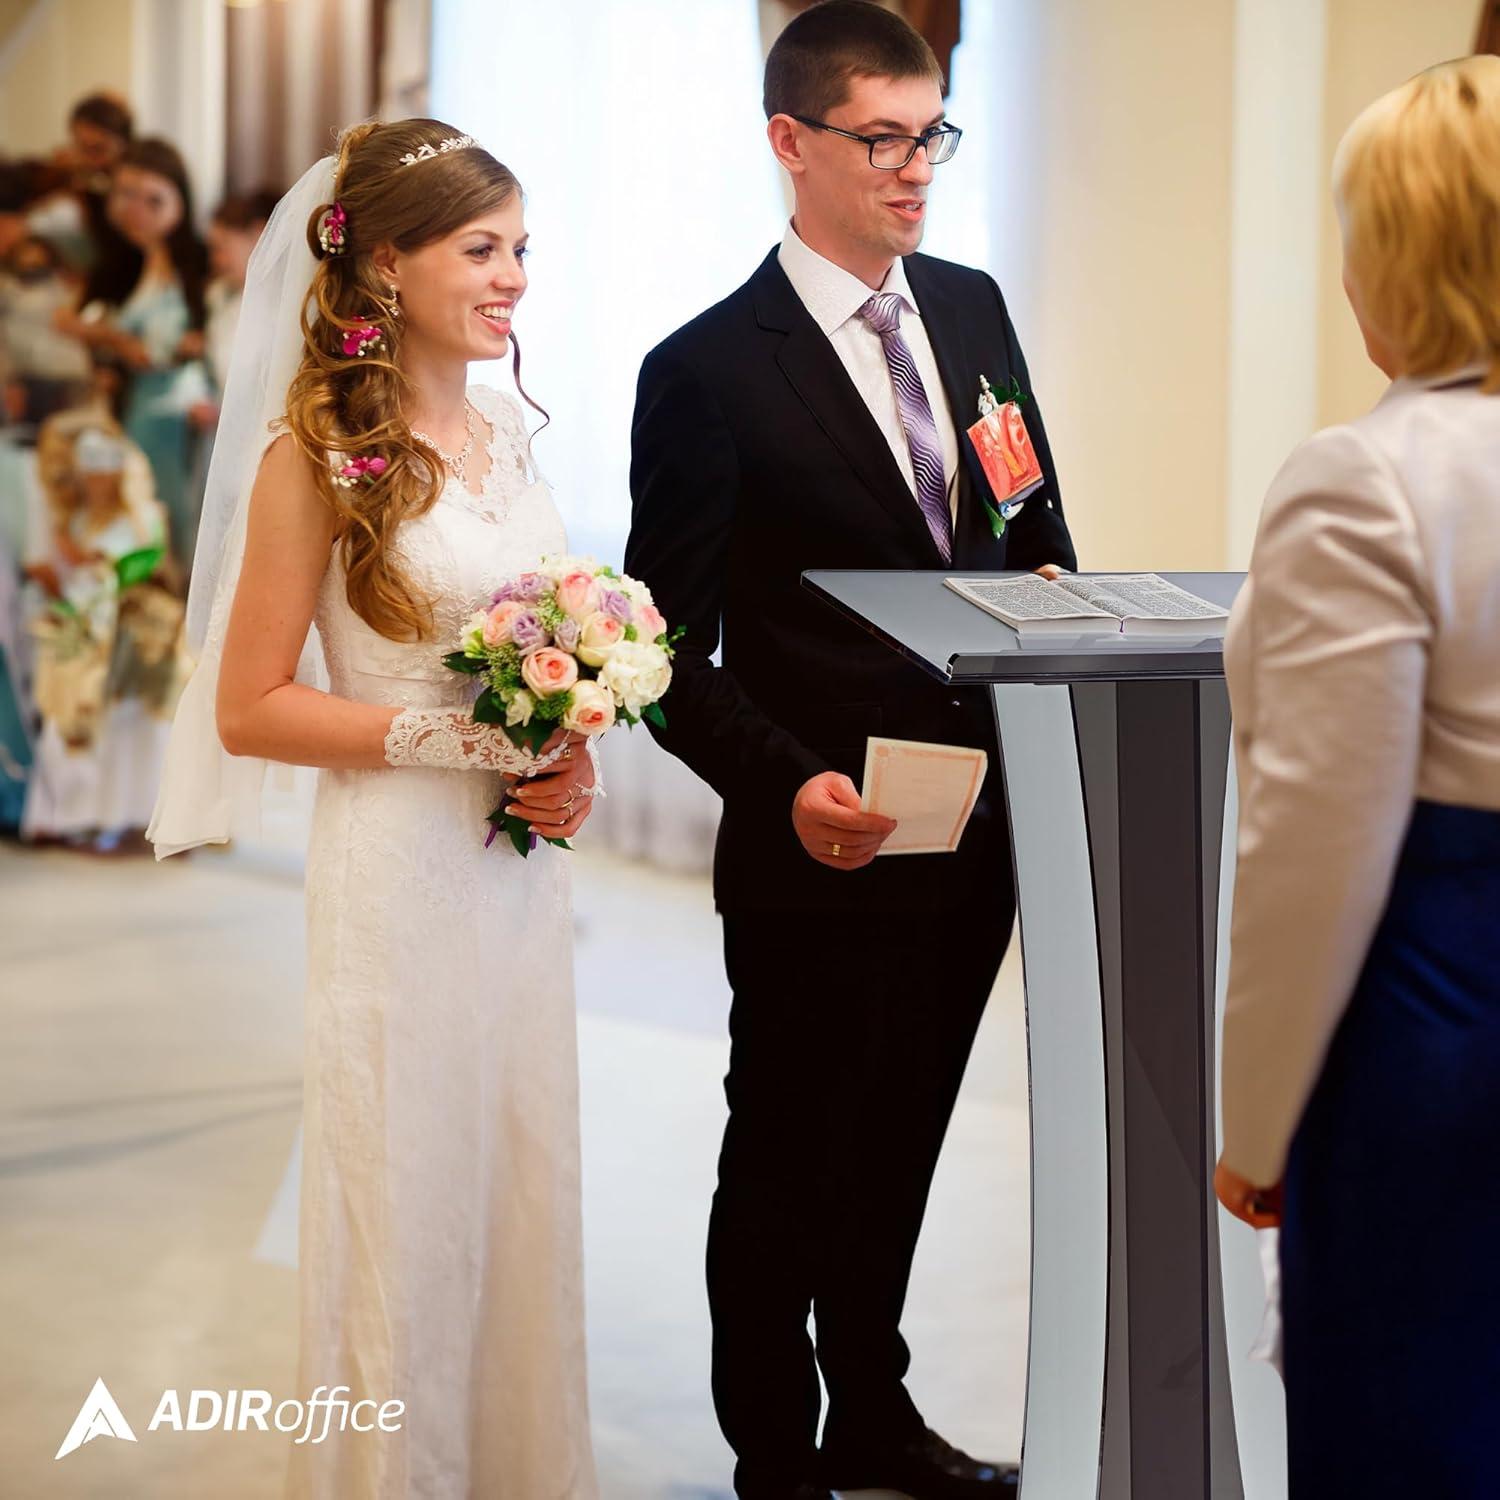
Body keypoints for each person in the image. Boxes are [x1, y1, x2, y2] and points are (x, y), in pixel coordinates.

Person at [625, 4, 1075, 1496]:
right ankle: (778, 1456)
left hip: (983, 826)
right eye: (881, 139)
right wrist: (784, 779)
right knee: (786, 1166)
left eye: (932, 134)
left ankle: (872, 1412)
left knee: (900, 1148)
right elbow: (658, 652)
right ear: (792, 144)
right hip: (822, 835)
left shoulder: (973, 309)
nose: (914, 169)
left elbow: (1033, 535)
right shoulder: (708, 371)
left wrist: (1070, 610)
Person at [148, 119, 602, 1497]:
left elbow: (543, 643)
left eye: (521, 247)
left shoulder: (510, 434)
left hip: (517, 879)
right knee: (403, 1196)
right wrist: (449, 737)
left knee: (516, 1184)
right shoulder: (317, 452)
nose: (516, 275)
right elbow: (251, 707)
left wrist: (567, 744)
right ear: (388, 266)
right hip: (398, 873)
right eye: (483, 249)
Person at [1214, 55, 1500, 1497]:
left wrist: (1257, 1118)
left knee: (1415, 1425)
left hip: (1443, 1009)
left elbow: (1316, 850)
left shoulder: (1371, 479)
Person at [19, 407, 177, 851]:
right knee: (72, 720)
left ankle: (131, 817)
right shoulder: (75, 520)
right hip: (82, 635)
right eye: (89, 472)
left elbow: (129, 572)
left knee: (127, 725)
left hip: (122, 639)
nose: (96, 481)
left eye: (104, 471)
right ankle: (72, 815)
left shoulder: (141, 520)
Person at [57, 137, 210, 570]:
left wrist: (112, 339)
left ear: (180, 200)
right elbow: (68, 321)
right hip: (133, 407)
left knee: (178, 519)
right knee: (139, 518)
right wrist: (111, 344)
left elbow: (173, 349)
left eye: (153, 200)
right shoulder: (117, 267)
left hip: (183, 412)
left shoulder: (199, 264)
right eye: (126, 195)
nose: (137, 210)